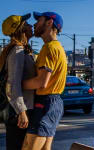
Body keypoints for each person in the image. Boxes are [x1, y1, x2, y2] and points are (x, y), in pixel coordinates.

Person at [21, 11, 67, 150]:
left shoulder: (49, 48)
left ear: (49, 22)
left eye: (39, 20)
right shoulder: (58, 47)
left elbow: (41, 82)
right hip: (53, 102)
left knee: (29, 147)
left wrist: (15, 84)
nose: (35, 24)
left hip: (45, 103)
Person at [0, 13, 35, 150]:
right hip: (19, 112)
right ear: (20, 29)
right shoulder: (17, 51)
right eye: (26, 24)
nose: (31, 25)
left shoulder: (19, 49)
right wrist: (22, 112)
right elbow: (12, 84)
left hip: (19, 110)